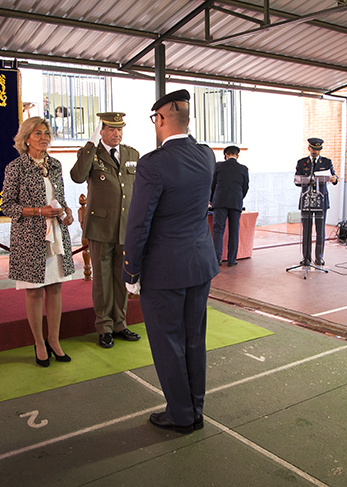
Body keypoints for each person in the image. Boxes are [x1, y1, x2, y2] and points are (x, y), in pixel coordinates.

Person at [122, 89, 219, 434]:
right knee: (194, 339)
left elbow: (138, 223)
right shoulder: (207, 156)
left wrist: (131, 270)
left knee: (168, 343)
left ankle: (180, 414)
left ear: (161, 119)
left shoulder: (153, 163)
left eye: (154, 119)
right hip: (199, 263)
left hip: (163, 269)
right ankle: (195, 408)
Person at [1, 116, 75, 367]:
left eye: (46, 133)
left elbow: (60, 197)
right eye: (37, 133)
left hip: (54, 234)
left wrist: (67, 212)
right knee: (33, 290)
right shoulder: (16, 167)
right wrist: (37, 211)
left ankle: (54, 340)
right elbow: (7, 206)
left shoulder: (55, 164)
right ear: (26, 139)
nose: (44, 137)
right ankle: (39, 343)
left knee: (55, 287)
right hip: (29, 238)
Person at [70, 112, 141, 349]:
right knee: (102, 281)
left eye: (119, 129)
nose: (116, 134)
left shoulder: (132, 154)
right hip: (100, 228)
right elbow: (78, 176)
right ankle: (104, 327)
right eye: (111, 129)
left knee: (122, 279)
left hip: (125, 227)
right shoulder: (90, 154)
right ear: (101, 131)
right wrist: (89, 146)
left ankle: (120, 324)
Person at [294, 138, 338, 266]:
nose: (316, 152)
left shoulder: (326, 162)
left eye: (318, 150)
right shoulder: (302, 162)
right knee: (306, 230)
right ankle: (306, 257)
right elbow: (297, 180)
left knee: (320, 230)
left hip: (321, 200)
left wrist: (334, 179)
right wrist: (308, 179)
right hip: (307, 200)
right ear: (309, 148)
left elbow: (334, 178)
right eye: (314, 149)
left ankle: (319, 257)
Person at [211, 146, 249, 267]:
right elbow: (245, 187)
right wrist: (238, 198)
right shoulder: (243, 169)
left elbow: (212, 184)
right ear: (237, 156)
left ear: (226, 155)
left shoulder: (218, 166)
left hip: (220, 201)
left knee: (218, 230)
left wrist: (212, 199)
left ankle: (217, 258)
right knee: (234, 231)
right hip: (235, 202)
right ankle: (232, 260)